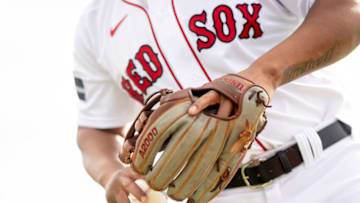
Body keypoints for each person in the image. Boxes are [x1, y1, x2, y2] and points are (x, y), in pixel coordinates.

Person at [73, 0, 360, 202]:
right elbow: (97, 129)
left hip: (328, 169)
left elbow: (346, 9)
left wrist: (263, 74)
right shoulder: (94, 26)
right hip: (218, 194)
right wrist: (110, 173)